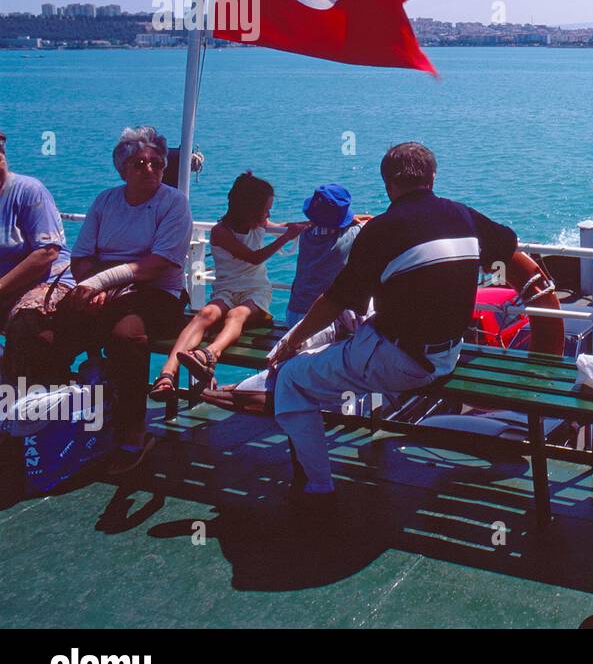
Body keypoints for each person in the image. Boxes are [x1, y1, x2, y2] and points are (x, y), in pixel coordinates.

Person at [266, 142, 517, 514]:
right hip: (448, 354)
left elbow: (336, 300)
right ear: (433, 177)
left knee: (291, 377)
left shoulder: (381, 231)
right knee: (352, 333)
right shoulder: (463, 216)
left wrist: (290, 341)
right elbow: (507, 243)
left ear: (388, 184)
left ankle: (317, 487)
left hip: (400, 362)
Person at [54, 126, 193, 473]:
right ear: (122, 169)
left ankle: (133, 433)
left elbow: (155, 266)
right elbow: (81, 256)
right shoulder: (105, 201)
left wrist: (100, 283)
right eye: (139, 163)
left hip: (158, 294)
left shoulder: (173, 203)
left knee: (126, 338)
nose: (149, 169)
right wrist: (93, 286)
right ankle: (50, 418)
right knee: (49, 333)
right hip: (104, 289)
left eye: (157, 163)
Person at [149, 172, 307, 400]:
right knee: (205, 313)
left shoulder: (258, 223)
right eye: (265, 209)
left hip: (255, 292)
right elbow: (253, 257)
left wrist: (301, 226)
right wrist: (285, 237)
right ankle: (167, 374)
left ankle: (209, 354)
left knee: (237, 315)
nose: (268, 215)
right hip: (226, 289)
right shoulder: (221, 232)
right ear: (248, 210)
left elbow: (282, 226)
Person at [0, 130, 75, 381]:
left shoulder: (28, 191)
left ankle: (20, 401)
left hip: (50, 280)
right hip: (8, 287)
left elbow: (47, 252)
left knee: (26, 323)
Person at [284, 183, 361, 327]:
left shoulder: (305, 235)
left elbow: (312, 224)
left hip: (294, 316)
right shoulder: (351, 234)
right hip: (322, 322)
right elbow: (372, 222)